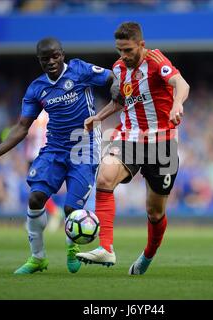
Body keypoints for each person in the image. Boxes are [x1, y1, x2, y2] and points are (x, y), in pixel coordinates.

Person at [0, 37, 113, 274]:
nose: (51, 61)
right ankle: (38, 258)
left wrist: (117, 96)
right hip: (54, 148)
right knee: (35, 198)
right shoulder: (37, 88)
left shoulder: (80, 70)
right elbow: (23, 126)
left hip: (84, 147)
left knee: (71, 210)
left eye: (55, 56)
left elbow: (113, 77)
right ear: (40, 61)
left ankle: (72, 249)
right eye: (46, 59)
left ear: (62, 54)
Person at [76, 22, 190, 275]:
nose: (123, 56)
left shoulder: (155, 60)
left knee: (155, 210)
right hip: (129, 137)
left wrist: (177, 104)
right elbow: (120, 101)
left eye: (128, 50)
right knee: (105, 177)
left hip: (162, 143)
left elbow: (182, 85)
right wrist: (99, 117)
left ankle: (149, 254)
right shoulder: (118, 68)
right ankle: (106, 247)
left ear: (141, 45)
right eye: (119, 50)